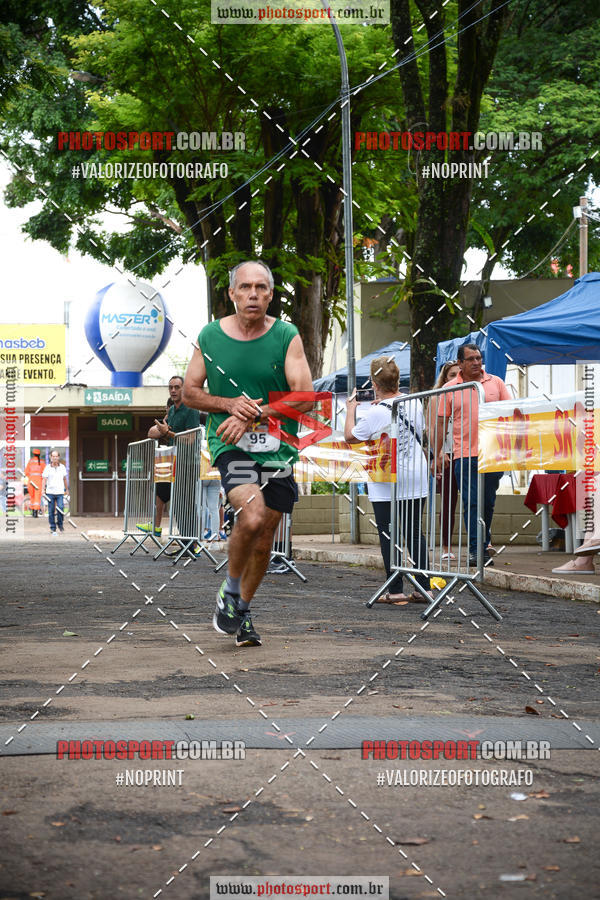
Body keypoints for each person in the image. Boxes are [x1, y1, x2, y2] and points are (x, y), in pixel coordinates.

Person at [183, 259, 314, 647]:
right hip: (230, 444)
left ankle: (239, 609)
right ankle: (231, 589)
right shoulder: (210, 336)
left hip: (278, 449)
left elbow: (304, 395)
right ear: (232, 294)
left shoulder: (286, 335)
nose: (253, 294)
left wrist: (258, 412)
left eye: (261, 288)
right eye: (245, 287)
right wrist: (229, 406)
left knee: (263, 539)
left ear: (271, 294)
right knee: (251, 515)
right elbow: (191, 392)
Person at [344, 357, 431, 603]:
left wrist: (351, 409)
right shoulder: (414, 404)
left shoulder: (374, 412)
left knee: (388, 533)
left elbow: (351, 436)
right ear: (397, 379)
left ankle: (395, 590)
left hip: (387, 477)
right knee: (414, 531)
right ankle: (425, 587)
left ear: (373, 383)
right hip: (415, 475)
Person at [435, 343, 510, 566]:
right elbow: (440, 423)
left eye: (479, 358)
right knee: (472, 502)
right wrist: (438, 452)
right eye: (471, 359)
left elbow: (510, 414)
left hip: (493, 454)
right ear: (460, 363)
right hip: (465, 454)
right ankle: (476, 550)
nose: (477, 362)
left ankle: (484, 544)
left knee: (487, 502)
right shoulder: (450, 388)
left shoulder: (495, 382)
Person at [138, 377, 201, 554]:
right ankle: (185, 545)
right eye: (171, 387)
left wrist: (168, 432)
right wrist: (165, 434)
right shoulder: (172, 410)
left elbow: (190, 439)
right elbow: (165, 435)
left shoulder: (191, 410)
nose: (173, 390)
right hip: (174, 463)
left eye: (177, 387)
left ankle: (192, 545)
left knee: (187, 505)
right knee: (178, 506)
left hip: (189, 463)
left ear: (184, 389)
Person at [430, 361, 460, 560]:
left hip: (467, 452)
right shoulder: (438, 396)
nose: (456, 378)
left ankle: (484, 543)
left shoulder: (471, 393)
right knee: (448, 501)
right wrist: (439, 452)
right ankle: (446, 547)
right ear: (444, 378)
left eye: (459, 374)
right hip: (447, 453)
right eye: (451, 375)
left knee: (475, 500)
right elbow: (433, 427)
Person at [42, 450, 68, 535]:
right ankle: (53, 527)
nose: (55, 458)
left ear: (58, 457)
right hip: (50, 492)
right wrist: (43, 489)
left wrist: (67, 489)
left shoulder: (62, 467)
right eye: (53, 456)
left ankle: (60, 525)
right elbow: (44, 479)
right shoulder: (47, 468)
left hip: (60, 492)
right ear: (50, 457)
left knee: (60, 509)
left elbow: (64, 479)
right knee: (51, 511)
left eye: (56, 456)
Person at [25, 449, 45, 517]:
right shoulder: (42, 462)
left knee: (32, 496)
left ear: (33, 454)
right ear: (39, 454)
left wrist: (31, 477)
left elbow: (26, 472)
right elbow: (44, 473)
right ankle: (35, 512)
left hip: (31, 482)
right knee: (37, 497)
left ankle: (33, 510)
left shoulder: (30, 461)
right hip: (38, 482)